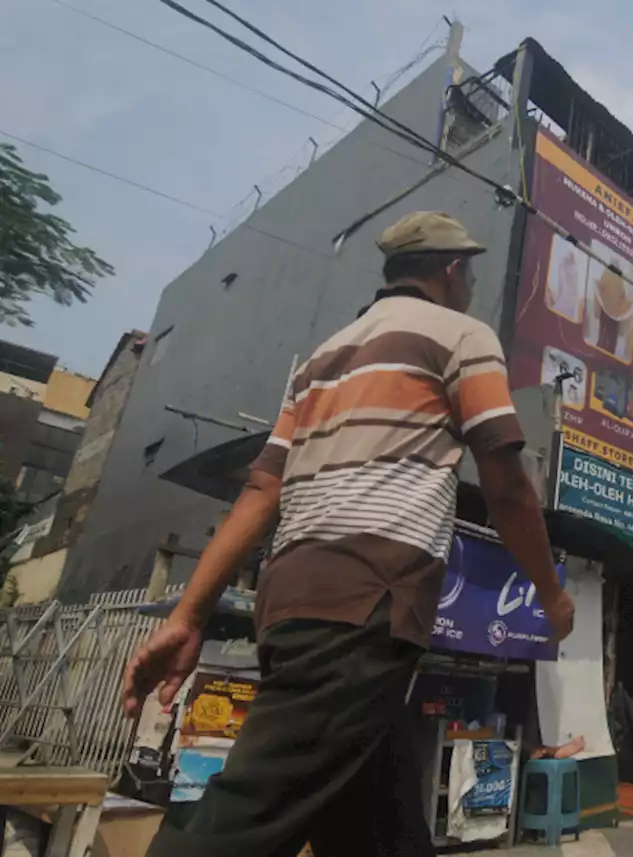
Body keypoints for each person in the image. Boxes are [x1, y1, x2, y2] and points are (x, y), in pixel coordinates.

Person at [123, 211, 576, 857]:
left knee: (379, 821)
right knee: (247, 814)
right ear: (451, 270)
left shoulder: (320, 362)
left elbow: (261, 490)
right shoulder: (460, 334)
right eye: (469, 271)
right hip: (365, 602)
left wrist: (190, 612)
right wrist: (550, 595)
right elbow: (505, 481)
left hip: (293, 602)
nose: (472, 283)